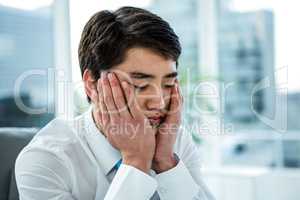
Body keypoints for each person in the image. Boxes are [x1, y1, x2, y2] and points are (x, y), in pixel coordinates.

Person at [15, 6, 214, 200]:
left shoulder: (173, 141)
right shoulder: (46, 160)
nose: (159, 102)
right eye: (140, 85)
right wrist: (136, 162)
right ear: (92, 84)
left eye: (168, 83)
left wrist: (166, 163)